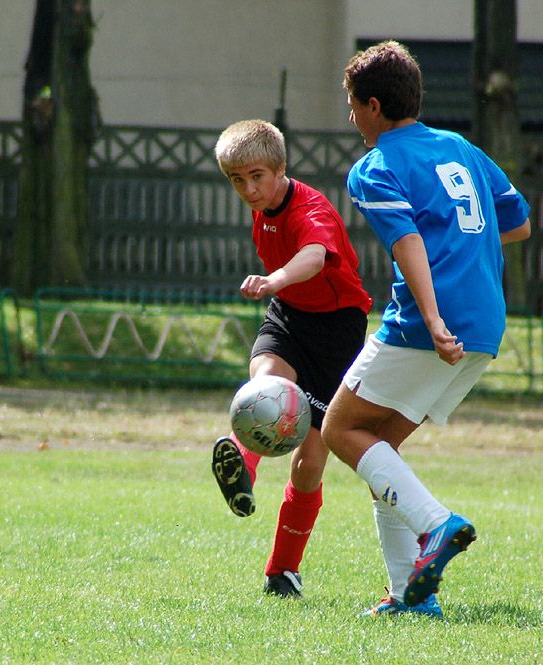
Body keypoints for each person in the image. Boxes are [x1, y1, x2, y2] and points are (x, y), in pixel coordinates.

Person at [321, 41, 532, 618]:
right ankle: (409, 597)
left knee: (340, 428)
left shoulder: (376, 167)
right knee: (380, 451)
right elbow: (518, 222)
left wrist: (434, 320)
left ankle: (437, 526)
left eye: (351, 104)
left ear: (372, 106)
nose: (350, 116)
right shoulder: (461, 147)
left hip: (428, 324)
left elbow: (408, 241)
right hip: (486, 322)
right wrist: (464, 245)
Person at [210, 119, 372, 598]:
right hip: (289, 315)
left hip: (337, 331)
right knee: (264, 390)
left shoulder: (310, 208)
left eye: (256, 177)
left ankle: (282, 570)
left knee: (309, 462)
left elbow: (315, 256)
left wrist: (274, 279)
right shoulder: (263, 207)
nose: (248, 189)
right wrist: (279, 289)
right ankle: (241, 469)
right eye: (237, 180)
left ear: (281, 169)